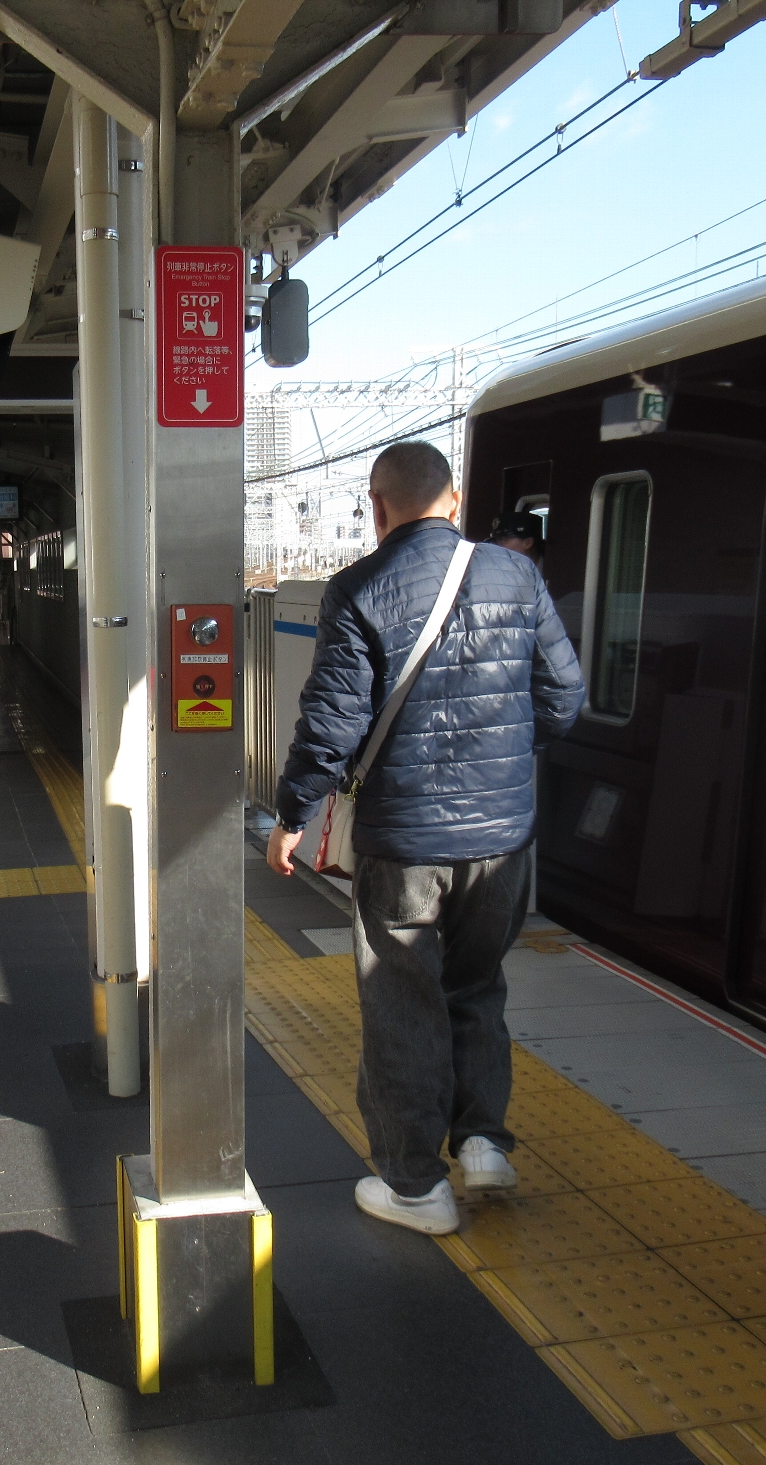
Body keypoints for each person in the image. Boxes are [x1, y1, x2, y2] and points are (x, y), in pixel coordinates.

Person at [267, 442, 584, 1236]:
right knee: (475, 983)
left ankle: (415, 1187)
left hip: (404, 841)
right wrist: (503, 763)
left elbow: (332, 724)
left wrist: (293, 814)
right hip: (503, 838)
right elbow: (565, 697)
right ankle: (482, 1144)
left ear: (378, 508)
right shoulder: (518, 575)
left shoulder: (361, 588)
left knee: (402, 1000)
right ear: (457, 498)